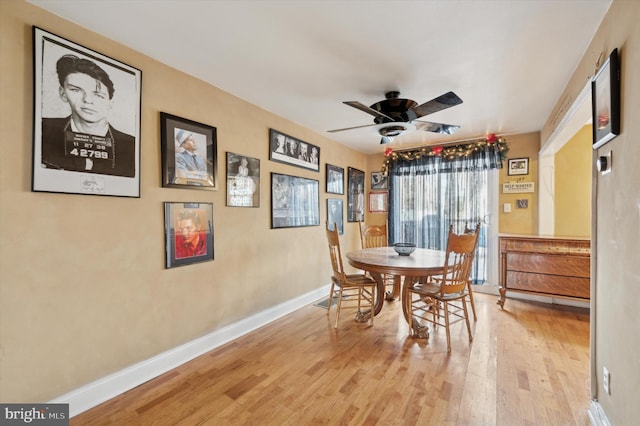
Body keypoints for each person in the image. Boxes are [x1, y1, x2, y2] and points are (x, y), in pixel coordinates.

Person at [41, 54, 135, 177]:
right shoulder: (42, 129)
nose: (87, 100)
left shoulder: (131, 146)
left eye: (98, 94)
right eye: (76, 90)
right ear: (63, 94)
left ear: (111, 102)